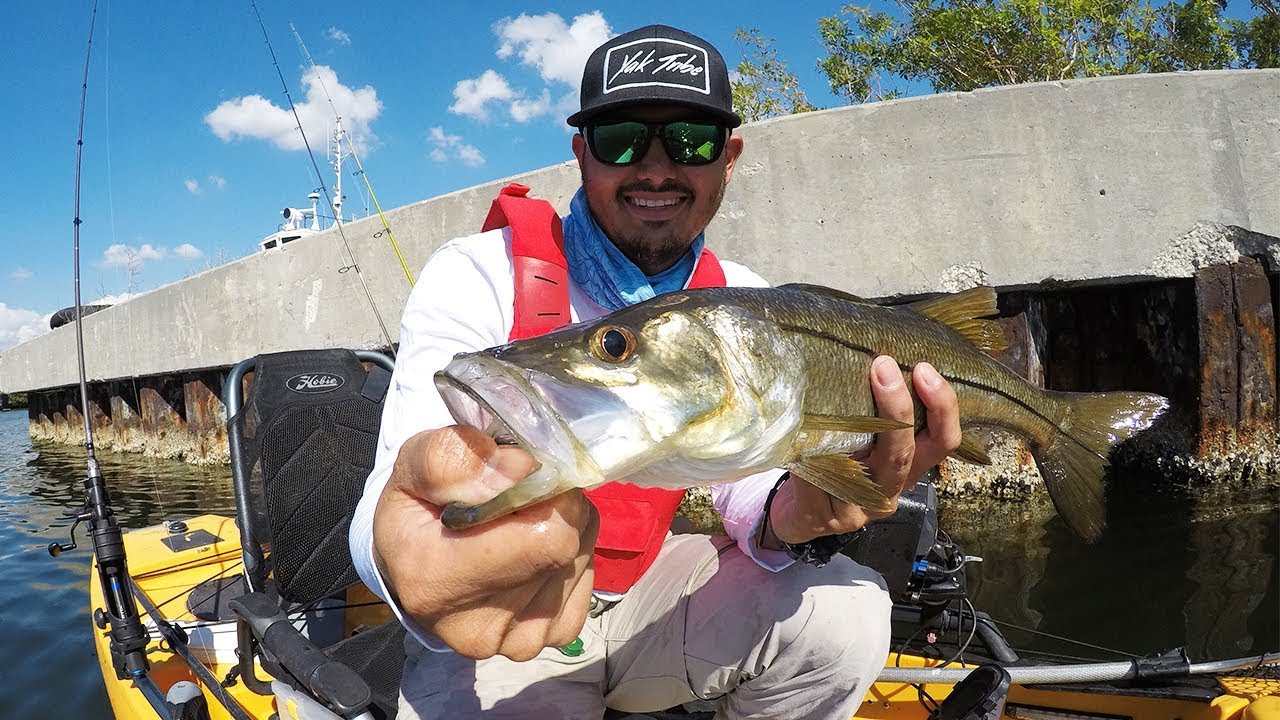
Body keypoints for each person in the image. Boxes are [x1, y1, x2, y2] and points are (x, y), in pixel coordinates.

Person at [349, 24, 962, 720]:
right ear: (582, 155)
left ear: (728, 159)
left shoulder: (746, 300)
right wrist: (403, 556)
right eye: (620, 139)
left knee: (845, 612)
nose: (656, 167)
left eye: (692, 140)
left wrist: (799, 514)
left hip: (649, 598)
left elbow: (755, 492)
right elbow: (388, 497)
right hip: (505, 620)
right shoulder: (475, 272)